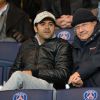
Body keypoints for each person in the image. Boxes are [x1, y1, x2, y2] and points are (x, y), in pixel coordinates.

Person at [1, 11, 73, 91]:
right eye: (42, 24)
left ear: (54, 27)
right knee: (16, 76)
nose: (47, 27)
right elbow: (14, 70)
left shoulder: (62, 44)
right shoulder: (26, 44)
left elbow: (63, 74)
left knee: (18, 76)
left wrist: (34, 73)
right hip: (24, 84)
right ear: (35, 28)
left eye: (50, 24)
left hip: (49, 87)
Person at [68, 8, 100, 87]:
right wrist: (80, 83)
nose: (80, 30)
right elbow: (73, 75)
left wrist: (80, 73)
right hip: (87, 94)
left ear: (94, 23)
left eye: (84, 25)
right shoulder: (74, 47)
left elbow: (97, 59)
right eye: (77, 27)